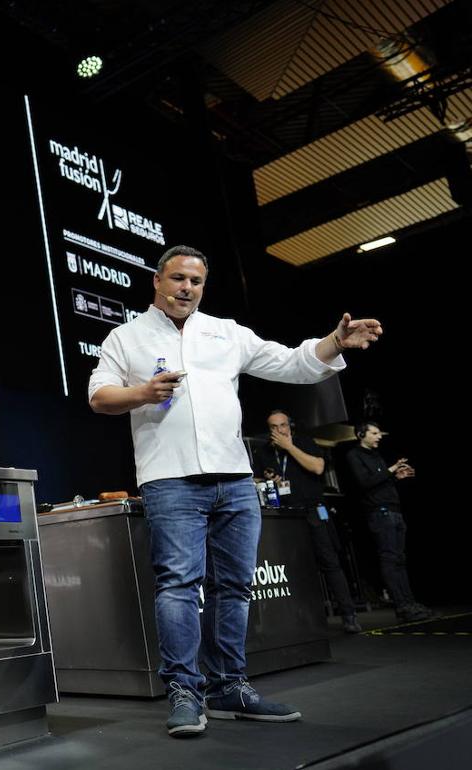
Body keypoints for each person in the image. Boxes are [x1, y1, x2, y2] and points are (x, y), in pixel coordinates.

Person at [88, 245, 382, 738]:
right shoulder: (126, 336)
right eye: (178, 278)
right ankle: (185, 691)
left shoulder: (226, 332)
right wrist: (142, 392)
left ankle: (228, 687)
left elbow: (291, 363)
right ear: (157, 281)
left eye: (196, 281)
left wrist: (336, 341)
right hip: (170, 478)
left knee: (234, 587)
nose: (187, 288)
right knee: (179, 585)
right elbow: (99, 396)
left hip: (235, 479)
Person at [253, 410, 360, 633]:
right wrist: (268, 480)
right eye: (274, 427)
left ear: (290, 426)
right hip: (285, 515)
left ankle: (348, 614)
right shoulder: (264, 451)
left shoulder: (304, 442)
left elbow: (317, 467)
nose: (279, 430)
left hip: (312, 511)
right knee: (294, 566)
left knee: (329, 562)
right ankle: (302, 617)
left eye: (283, 425)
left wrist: (289, 447)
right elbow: (256, 478)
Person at [345, 422, 431, 622]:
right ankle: (402, 606)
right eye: (374, 433)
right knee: (390, 559)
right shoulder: (354, 455)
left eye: (379, 433)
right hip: (380, 513)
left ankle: (410, 603)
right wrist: (391, 469)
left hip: (394, 510)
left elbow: (380, 482)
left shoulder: (376, 455)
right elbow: (365, 482)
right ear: (361, 434)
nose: (379, 436)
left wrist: (396, 477)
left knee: (400, 559)